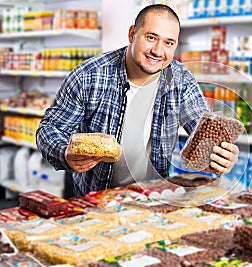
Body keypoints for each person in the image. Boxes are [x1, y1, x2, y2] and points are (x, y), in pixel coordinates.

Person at [36, 4, 240, 196]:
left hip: (153, 200)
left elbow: (203, 126)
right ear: (132, 33)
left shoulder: (180, 80)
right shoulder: (89, 75)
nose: (158, 51)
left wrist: (221, 153)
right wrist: (65, 153)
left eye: (169, 43)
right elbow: (49, 129)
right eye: (151, 38)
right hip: (95, 200)